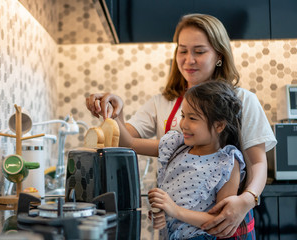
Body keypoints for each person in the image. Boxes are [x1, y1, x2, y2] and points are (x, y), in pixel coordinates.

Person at [85, 13, 277, 239]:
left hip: (228, 224)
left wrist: (247, 200)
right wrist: (115, 111)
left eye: (199, 51)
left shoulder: (243, 100)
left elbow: (257, 162)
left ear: (219, 55)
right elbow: (125, 141)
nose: (189, 59)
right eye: (183, 50)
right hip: (175, 227)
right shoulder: (162, 102)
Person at [148, 80, 246, 240]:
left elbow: (220, 221)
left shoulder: (227, 162)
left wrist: (175, 211)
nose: (183, 124)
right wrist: (163, 214)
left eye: (192, 118)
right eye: (183, 116)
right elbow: (129, 144)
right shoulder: (178, 148)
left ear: (219, 125)